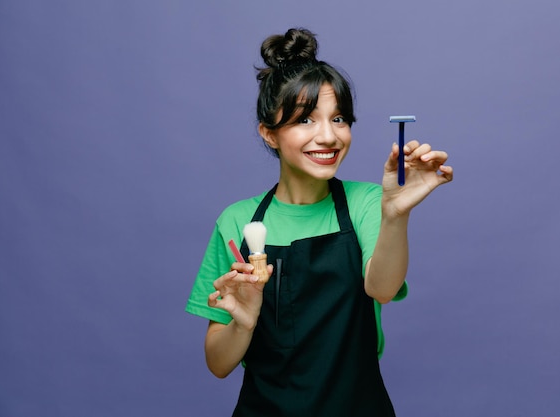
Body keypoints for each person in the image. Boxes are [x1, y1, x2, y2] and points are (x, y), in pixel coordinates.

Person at [186, 27, 453, 417]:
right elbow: (219, 364)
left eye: (339, 118)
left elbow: (381, 288)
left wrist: (395, 214)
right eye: (306, 120)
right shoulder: (238, 221)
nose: (328, 136)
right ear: (270, 134)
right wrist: (242, 324)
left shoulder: (366, 202)